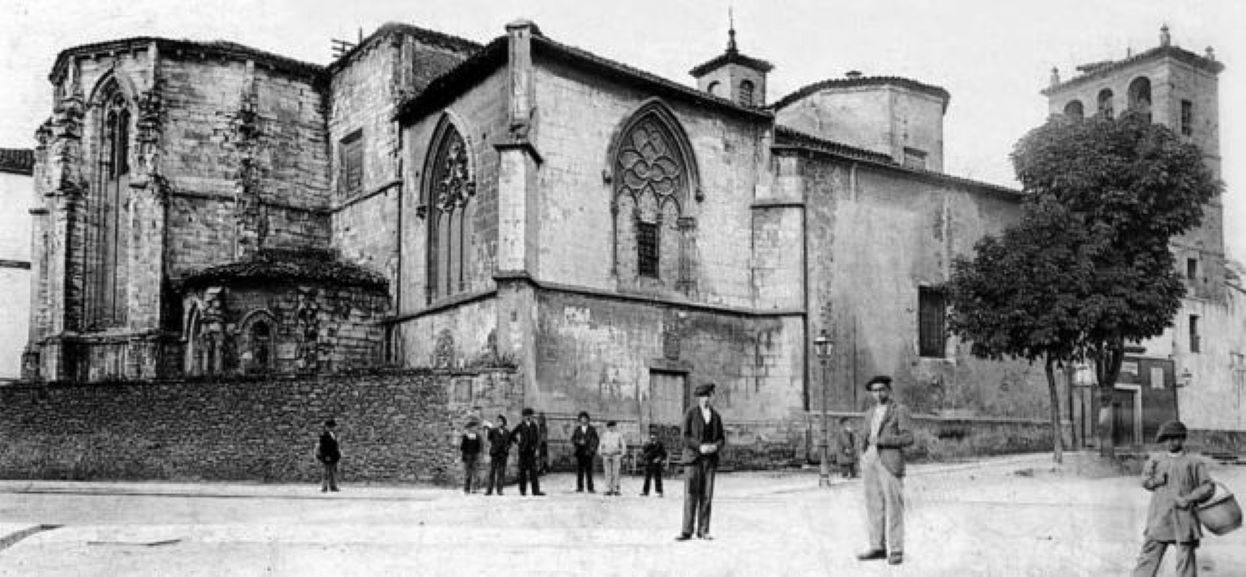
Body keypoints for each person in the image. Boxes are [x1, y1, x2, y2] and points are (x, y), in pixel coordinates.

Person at [1132, 420, 1216, 577]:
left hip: (1184, 518)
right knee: (1147, 559)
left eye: (1175, 438)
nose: (1171, 442)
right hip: (1160, 518)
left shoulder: (1193, 462)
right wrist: (1157, 480)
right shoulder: (1156, 460)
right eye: (1167, 438)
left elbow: (1208, 486)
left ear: (1183, 439)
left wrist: (1190, 498)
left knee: (1186, 562)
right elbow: (1145, 481)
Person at [856, 375, 914, 566]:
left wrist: (883, 441)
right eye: (874, 390)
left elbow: (908, 438)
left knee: (894, 506)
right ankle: (877, 547)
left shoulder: (900, 411)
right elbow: (864, 435)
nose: (878, 393)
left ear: (889, 390)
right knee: (874, 505)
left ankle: (896, 549)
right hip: (870, 461)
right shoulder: (869, 412)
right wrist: (862, 454)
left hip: (889, 461)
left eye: (881, 389)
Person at [676, 383, 725, 541]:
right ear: (698, 398)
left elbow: (721, 439)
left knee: (707, 495)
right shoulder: (690, 413)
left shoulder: (716, 416)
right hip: (693, 460)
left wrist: (714, 447)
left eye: (708, 396)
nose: (705, 399)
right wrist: (699, 447)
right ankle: (686, 530)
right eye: (703, 396)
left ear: (711, 397)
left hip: (709, 461)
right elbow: (685, 436)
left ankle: (703, 530)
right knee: (691, 494)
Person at [512, 408, 546, 496]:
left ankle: (536, 491)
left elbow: (537, 438)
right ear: (523, 417)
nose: (528, 417)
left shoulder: (534, 426)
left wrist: (536, 448)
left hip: (531, 451)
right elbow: (512, 434)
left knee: (533, 472)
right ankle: (522, 491)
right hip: (523, 451)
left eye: (530, 416)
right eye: (526, 416)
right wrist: (518, 442)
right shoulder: (520, 425)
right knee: (522, 471)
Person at [571, 411, 599, 493]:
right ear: (580, 420)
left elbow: (596, 440)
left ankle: (590, 487)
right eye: (582, 418)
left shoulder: (592, 429)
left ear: (588, 419)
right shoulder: (577, 429)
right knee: (580, 471)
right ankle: (580, 487)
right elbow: (573, 439)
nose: (583, 420)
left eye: (585, 418)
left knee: (589, 471)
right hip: (580, 452)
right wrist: (579, 441)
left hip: (589, 452)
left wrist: (592, 448)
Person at [484, 415, 511, 496]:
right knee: (492, 472)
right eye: (497, 421)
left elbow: (509, 442)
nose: (498, 422)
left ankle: (500, 490)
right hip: (495, 454)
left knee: (501, 472)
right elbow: (488, 437)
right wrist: (487, 427)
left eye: (500, 421)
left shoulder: (507, 432)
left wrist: (507, 448)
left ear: (503, 422)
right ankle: (489, 490)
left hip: (503, 454)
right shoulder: (493, 431)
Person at [599, 420, 626, 496]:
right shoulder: (605, 435)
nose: (611, 428)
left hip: (615, 455)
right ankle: (608, 489)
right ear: (607, 427)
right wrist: (601, 453)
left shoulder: (618, 435)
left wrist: (622, 454)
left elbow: (623, 445)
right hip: (607, 455)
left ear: (615, 427)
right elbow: (601, 445)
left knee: (616, 472)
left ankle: (616, 489)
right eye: (610, 427)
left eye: (613, 426)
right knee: (607, 473)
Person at [640, 425, 668, 497]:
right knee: (647, 477)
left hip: (657, 463)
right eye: (652, 436)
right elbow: (644, 452)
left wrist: (659, 459)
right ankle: (645, 491)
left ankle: (659, 491)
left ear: (657, 437)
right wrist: (646, 457)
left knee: (658, 477)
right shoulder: (647, 444)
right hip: (649, 462)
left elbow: (664, 454)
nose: (653, 437)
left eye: (654, 436)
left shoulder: (660, 444)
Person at [315, 418, 341, 493]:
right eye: (331, 427)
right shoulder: (324, 435)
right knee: (326, 472)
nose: (332, 428)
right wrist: (326, 456)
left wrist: (337, 454)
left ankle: (333, 486)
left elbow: (335, 446)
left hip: (333, 456)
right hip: (327, 456)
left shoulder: (333, 435)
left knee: (333, 471)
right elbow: (323, 447)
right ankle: (324, 486)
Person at [459, 418, 483, 494]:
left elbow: (480, 446)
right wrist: (465, 455)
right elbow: (462, 447)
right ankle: (467, 489)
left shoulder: (477, 436)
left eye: (476, 427)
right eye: (474, 427)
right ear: (470, 428)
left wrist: (479, 453)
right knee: (467, 473)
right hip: (467, 456)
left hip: (475, 456)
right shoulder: (466, 436)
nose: (475, 428)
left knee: (475, 473)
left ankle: (474, 488)